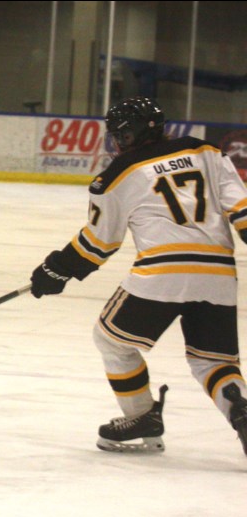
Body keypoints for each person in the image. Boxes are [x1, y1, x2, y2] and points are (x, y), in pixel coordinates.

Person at [29, 96, 247, 457]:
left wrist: (56, 269)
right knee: (214, 361)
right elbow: (242, 209)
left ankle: (142, 416)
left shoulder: (116, 174)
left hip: (163, 272)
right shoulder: (205, 150)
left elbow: (99, 242)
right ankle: (241, 411)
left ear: (126, 135)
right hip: (219, 272)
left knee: (111, 341)